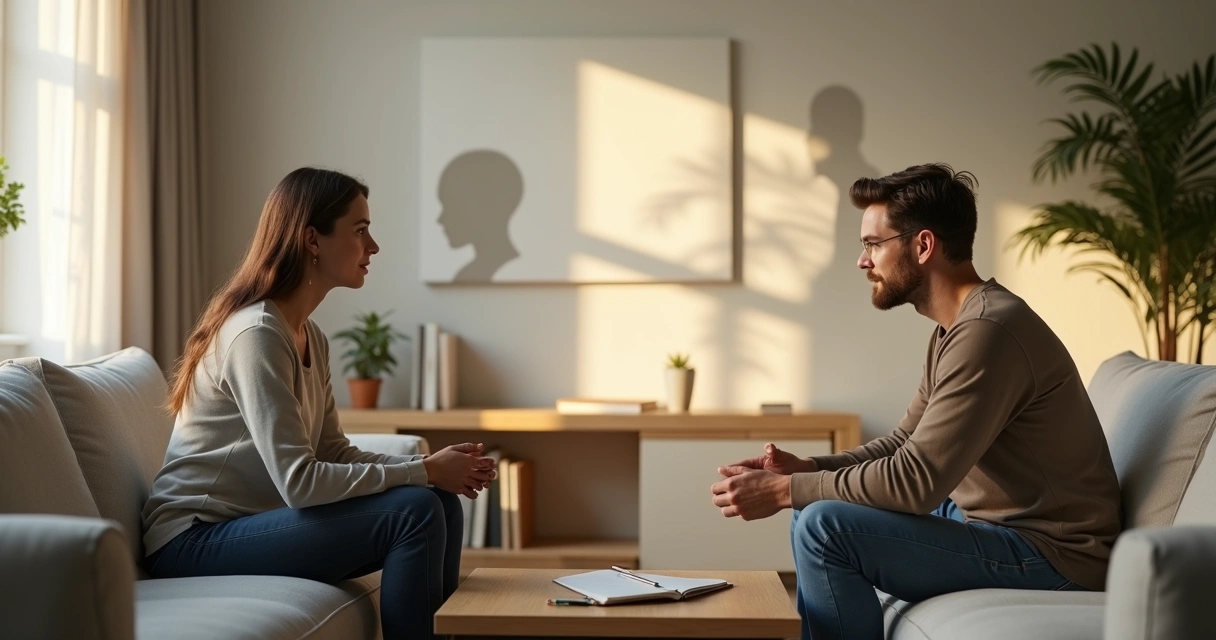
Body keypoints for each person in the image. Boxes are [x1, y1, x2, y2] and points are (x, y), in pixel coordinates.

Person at [710, 164, 1122, 640]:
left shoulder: (988, 331)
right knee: (813, 507)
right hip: (989, 523)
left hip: (1052, 553)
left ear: (923, 245)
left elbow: (917, 482)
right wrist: (808, 468)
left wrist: (784, 491)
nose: (863, 261)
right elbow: (904, 443)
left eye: (873, 244)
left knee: (824, 526)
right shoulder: (957, 328)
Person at [142, 167, 495, 640]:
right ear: (312, 239)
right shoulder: (256, 335)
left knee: (440, 503)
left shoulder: (310, 336)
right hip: (192, 540)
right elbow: (300, 483)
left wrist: (429, 470)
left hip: (242, 527)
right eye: (360, 230)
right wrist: (423, 471)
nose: (374, 247)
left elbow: (334, 452)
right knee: (415, 511)